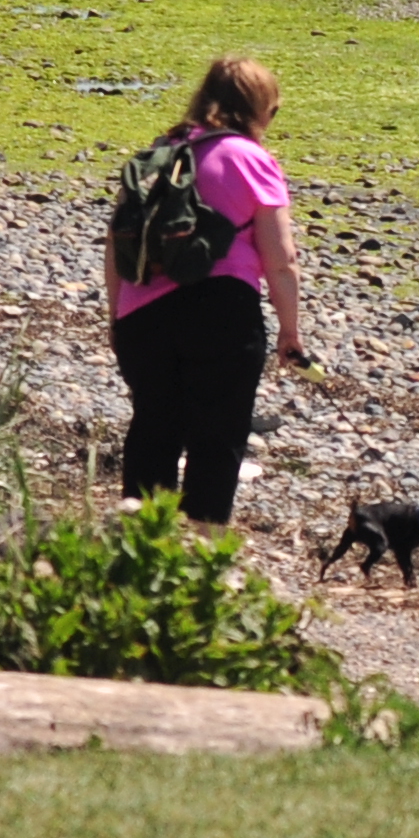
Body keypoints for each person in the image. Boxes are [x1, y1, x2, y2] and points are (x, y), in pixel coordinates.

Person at [103, 56, 308, 525]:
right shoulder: (252, 159)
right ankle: (201, 559)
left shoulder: (157, 154)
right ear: (260, 109)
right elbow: (281, 260)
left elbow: (117, 242)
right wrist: (289, 331)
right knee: (217, 441)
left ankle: (140, 550)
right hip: (221, 314)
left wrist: (116, 317)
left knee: (153, 430)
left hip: (142, 318)